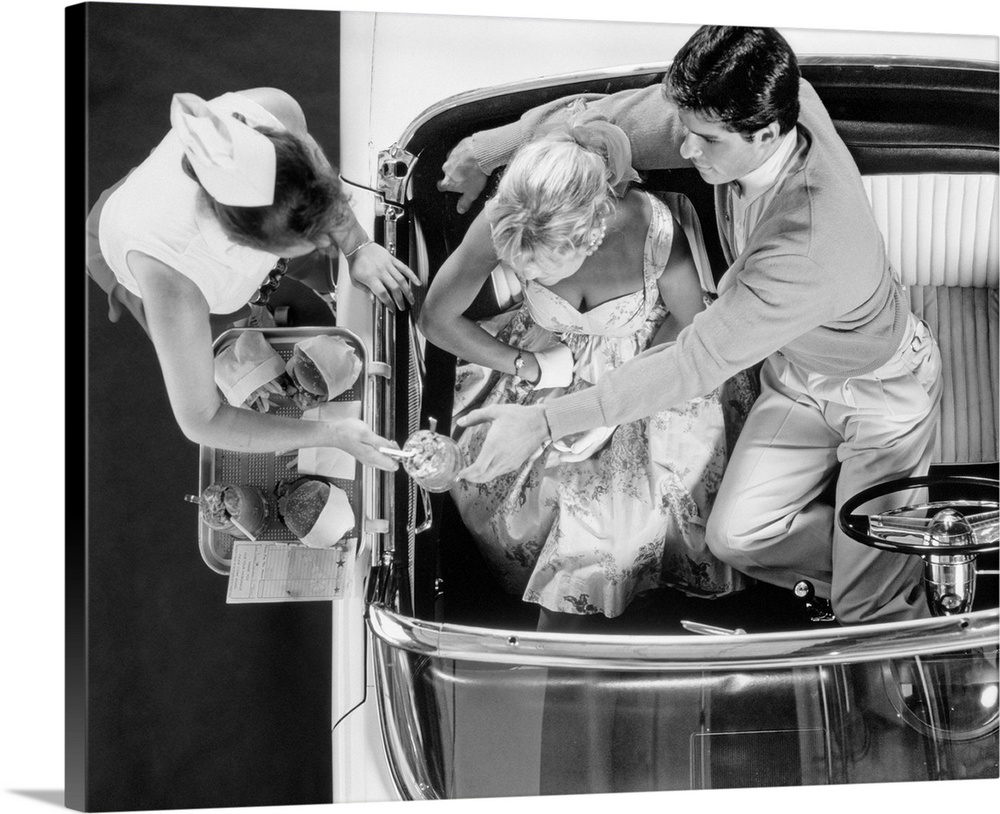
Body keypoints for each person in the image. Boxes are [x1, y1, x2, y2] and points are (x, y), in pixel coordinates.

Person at [437, 26, 943, 625]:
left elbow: (693, 361)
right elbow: (591, 123)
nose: (685, 150)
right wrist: (480, 150)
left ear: (767, 133)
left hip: (879, 391)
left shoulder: (809, 243)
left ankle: (893, 581)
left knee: (868, 612)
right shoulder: (764, 99)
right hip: (793, 374)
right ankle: (892, 556)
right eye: (684, 127)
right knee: (733, 541)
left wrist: (542, 421)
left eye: (703, 141)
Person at [421, 123, 752, 629]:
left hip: (648, 365)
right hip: (543, 360)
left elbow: (688, 326)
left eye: (542, 272)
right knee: (502, 484)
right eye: (522, 272)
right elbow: (435, 320)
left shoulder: (654, 230)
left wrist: (610, 406)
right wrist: (526, 365)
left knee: (622, 525)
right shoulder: (511, 214)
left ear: (592, 233)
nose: (527, 281)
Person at [87, 88, 418, 465]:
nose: (331, 238)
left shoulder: (272, 110)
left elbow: (316, 187)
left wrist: (357, 246)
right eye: (316, 238)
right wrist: (332, 434)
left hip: (256, 228)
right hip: (138, 250)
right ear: (247, 243)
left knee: (311, 253)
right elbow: (202, 420)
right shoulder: (175, 288)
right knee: (226, 364)